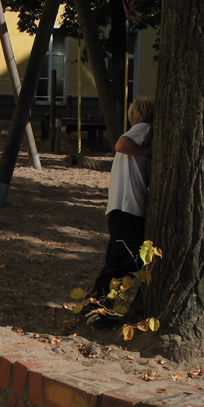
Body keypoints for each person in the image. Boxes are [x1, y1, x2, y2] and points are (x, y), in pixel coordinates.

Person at [87, 96, 155, 309]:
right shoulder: (144, 128)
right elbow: (121, 144)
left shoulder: (140, 130)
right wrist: (149, 152)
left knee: (120, 260)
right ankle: (97, 304)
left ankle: (97, 303)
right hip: (128, 207)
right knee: (125, 261)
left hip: (121, 206)